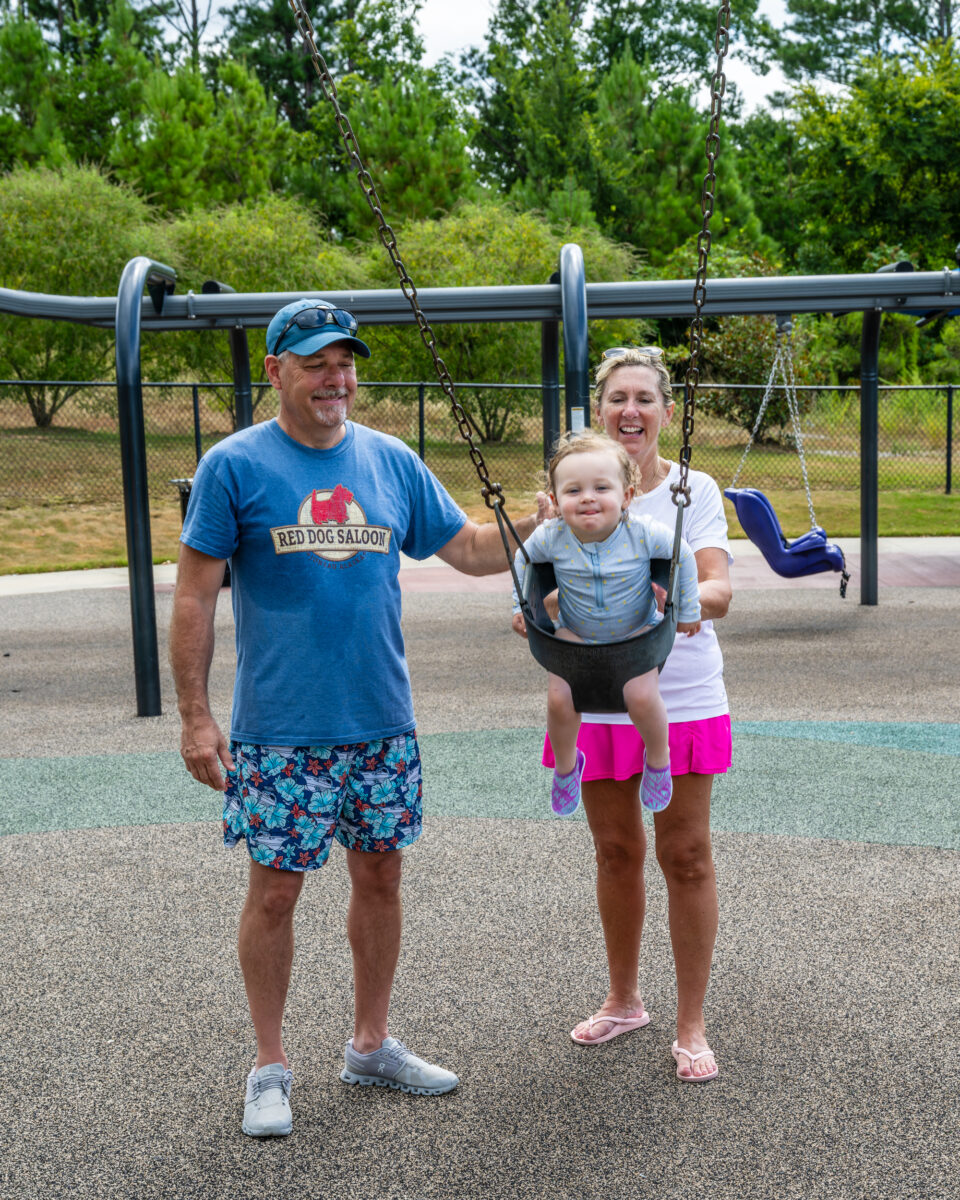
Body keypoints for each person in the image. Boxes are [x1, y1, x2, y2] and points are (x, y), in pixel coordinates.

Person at [170, 298, 542, 1136]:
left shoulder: (390, 461)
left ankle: (369, 1045)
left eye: (345, 363)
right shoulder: (235, 467)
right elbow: (195, 594)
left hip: (382, 721)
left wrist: (541, 522)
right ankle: (269, 1065)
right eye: (315, 363)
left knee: (381, 877)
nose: (335, 379)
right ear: (275, 371)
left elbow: (473, 550)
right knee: (274, 895)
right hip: (280, 730)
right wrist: (196, 716)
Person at [516, 347, 732, 1081]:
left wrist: (695, 605)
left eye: (645, 397)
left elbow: (714, 581)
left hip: (680, 687)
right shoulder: (575, 489)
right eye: (617, 398)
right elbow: (541, 582)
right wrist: (537, 608)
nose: (631, 410)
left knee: (687, 854)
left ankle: (692, 1021)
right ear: (599, 411)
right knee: (616, 851)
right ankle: (624, 998)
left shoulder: (690, 490)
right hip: (589, 682)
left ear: (667, 411)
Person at [511, 430, 701, 817]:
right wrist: (518, 607)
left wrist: (690, 610)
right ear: (555, 498)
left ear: (626, 496)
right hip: (574, 633)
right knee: (559, 698)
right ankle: (566, 768)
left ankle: (658, 759)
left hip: (636, 633)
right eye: (573, 490)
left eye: (601, 487)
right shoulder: (553, 536)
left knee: (642, 697)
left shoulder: (642, 534)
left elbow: (683, 552)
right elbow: (523, 559)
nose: (588, 498)